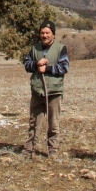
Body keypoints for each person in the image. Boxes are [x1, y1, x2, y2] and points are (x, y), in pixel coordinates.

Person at [22, 20, 69, 158]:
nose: (44, 35)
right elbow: (26, 65)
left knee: (53, 123)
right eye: (42, 33)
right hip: (37, 91)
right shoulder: (34, 48)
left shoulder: (61, 48)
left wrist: (47, 68)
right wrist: (36, 64)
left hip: (54, 92)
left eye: (47, 33)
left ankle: (52, 150)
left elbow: (64, 67)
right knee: (34, 122)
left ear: (53, 34)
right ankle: (29, 149)